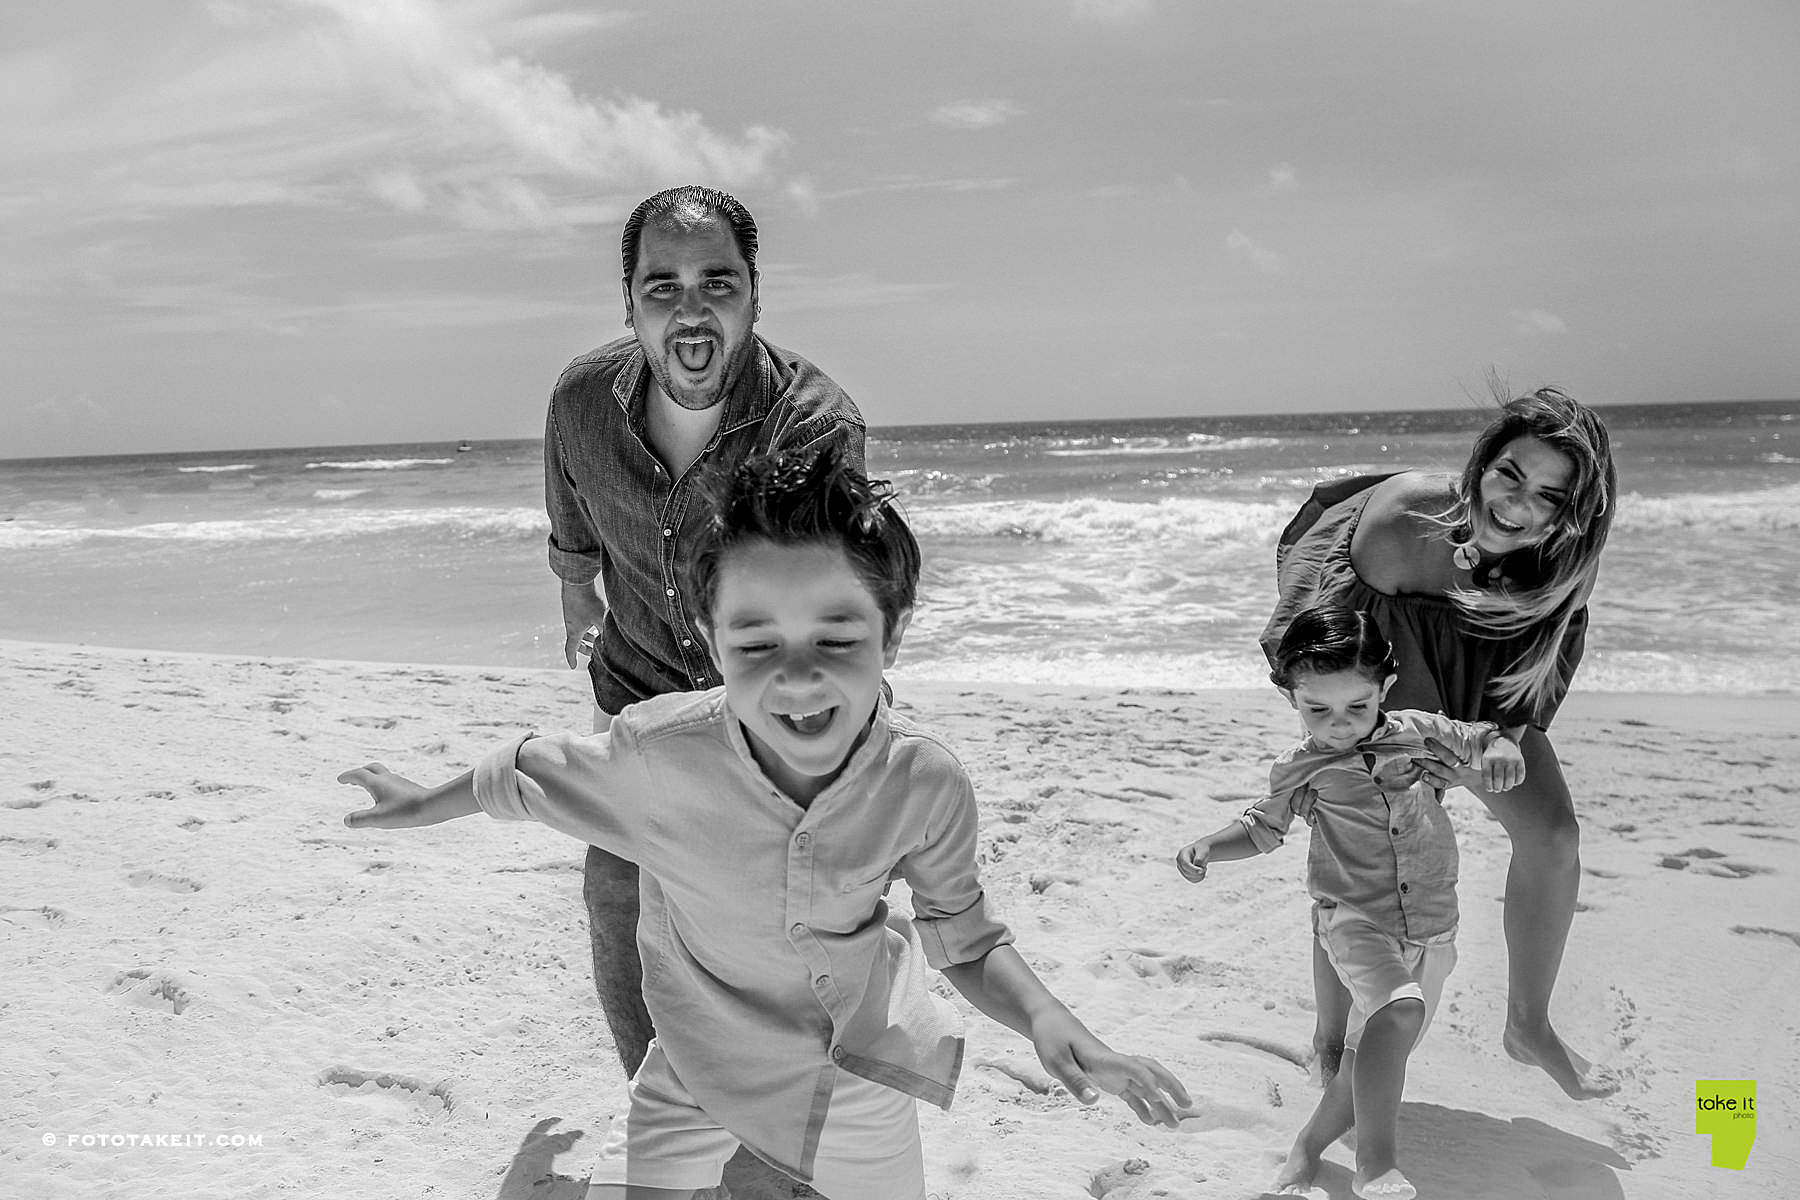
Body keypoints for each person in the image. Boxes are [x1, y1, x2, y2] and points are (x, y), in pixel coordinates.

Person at [344, 447, 1191, 1199]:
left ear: (892, 635)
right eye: (756, 644)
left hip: (857, 1063)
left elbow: (963, 938)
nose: (796, 678)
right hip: (697, 1056)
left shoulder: (922, 782)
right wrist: (422, 803)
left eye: (836, 639)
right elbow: (526, 775)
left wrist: (1050, 1019)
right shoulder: (660, 754)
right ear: (713, 644)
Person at [542, 186, 867, 1194]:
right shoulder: (582, 402)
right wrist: (574, 596)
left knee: (773, 950)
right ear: (630, 304)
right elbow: (571, 516)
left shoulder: (813, 425)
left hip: (765, 728)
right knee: (618, 904)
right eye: (662, 287)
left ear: (755, 296)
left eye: (717, 283)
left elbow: (829, 610)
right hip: (637, 696)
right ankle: (678, 1124)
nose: (691, 310)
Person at [1260, 387, 1618, 1101]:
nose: (1518, 506)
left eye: (1549, 496)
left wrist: (1508, 736)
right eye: (1510, 474)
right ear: (1483, 461)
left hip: (1488, 676)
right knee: (1365, 848)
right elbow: (1330, 644)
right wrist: (1372, 750)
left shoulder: (1564, 560)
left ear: (1571, 512)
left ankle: (1528, 1025)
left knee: (1552, 836)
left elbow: (1540, 657)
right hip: (1378, 655)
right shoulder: (1405, 524)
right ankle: (1332, 1040)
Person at [1178, 607, 1521, 1199]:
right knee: (1401, 1011)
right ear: (1291, 700)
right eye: (1318, 710)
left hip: (1433, 926)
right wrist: (1209, 845)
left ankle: (1306, 1150)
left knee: (1372, 1056)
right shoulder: (1300, 767)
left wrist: (1502, 748)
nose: (1338, 725)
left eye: (1357, 707)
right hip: (1353, 919)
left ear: (1385, 688)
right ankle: (1375, 1162)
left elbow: (1483, 738)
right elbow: (1263, 828)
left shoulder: (1421, 731)